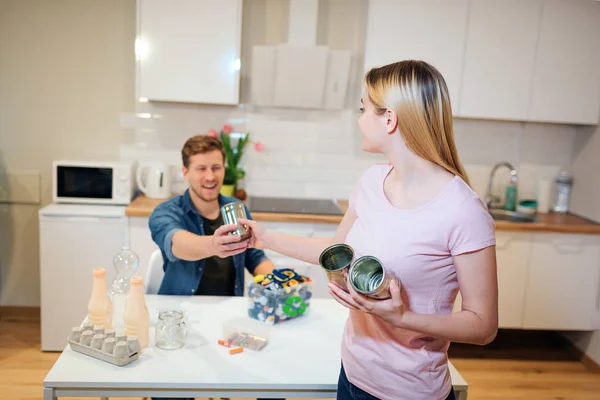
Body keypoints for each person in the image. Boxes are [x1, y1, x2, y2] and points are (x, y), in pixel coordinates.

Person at [238, 60, 498, 400]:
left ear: (389, 119)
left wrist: (403, 316)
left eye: (364, 109)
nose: (359, 119)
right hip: (352, 375)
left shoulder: (462, 210)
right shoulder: (372, 181)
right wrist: (263, 238)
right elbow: (335, 251)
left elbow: (483, 325)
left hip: (408, 392)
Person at [148, 134, 279, 400]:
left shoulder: (237, 209)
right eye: (201, 168)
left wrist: (277, 281)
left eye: (216, 167)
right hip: (180, 317)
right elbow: (176, 243)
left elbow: (255, 257)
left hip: (229, 317)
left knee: (272, 383)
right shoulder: (166, 212)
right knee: (171, 390)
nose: (210, 176)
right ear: (185, 172)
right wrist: (214, 245)